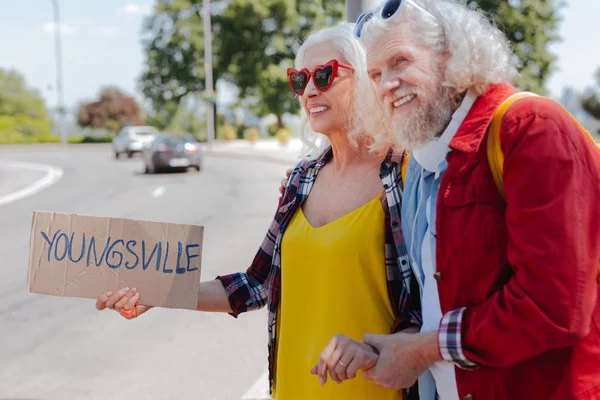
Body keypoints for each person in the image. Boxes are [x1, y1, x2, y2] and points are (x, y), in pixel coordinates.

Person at [95, 23, 421, 400]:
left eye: (325, 75)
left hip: (374, 391)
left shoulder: (407, 175)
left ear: (367, 79)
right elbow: (256, 284)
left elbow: (428, 307)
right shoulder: (301, 178)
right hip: (292, 388)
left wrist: (375, 350)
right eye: (300, 80)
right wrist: (158, 291)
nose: (310, 90)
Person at [308, 0, 600, 399]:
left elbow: (553, 307)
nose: (386, 84)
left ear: (450, 53)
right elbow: (433, 301)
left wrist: (422, 349)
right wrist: (388, 346)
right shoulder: (422, 163)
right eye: (376, 74)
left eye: (401, 61)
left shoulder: (530, 127)